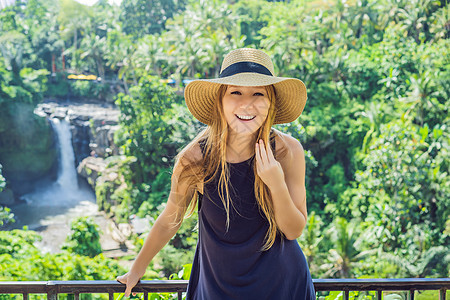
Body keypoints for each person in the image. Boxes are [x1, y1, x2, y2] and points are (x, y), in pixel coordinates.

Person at [117, 48, 315, 299]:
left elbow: (294, 230)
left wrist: (276, 184)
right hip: (218, 289)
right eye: (235, 92)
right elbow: (171, 218)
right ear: (220, 99)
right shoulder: (196, 159)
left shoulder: (288, 151)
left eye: (258, 93)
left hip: (282, 287)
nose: (247, 103)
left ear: (271, 102)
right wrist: (136, 269)